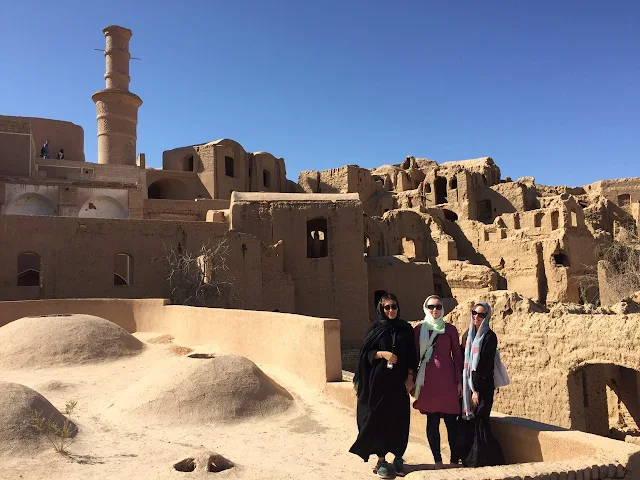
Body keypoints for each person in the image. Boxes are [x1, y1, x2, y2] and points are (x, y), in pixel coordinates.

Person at [350, 293, 417, 478]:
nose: (391, 311)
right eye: (387, 307)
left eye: (393, 306)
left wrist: (410, 377)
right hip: (378, 385)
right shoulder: (375, 328)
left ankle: (398, 458)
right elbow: (365, 354)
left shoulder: (405, 328)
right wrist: (382, 354)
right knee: (378, 420)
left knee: (399, 420)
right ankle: (381, 460)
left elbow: (412, 355)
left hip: (399, 384)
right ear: (381, 309)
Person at [412, 295, 463, 468]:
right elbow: (413, 357)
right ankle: (438, 461)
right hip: (428, 382)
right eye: (432, 306)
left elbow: (457, 357)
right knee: (432, 421)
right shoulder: (419, 330)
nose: (435, 310)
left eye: (439, 306)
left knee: (451, 422)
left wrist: (459, 381)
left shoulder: (450, 329)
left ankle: (455, 460)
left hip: (448, 381)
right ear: (426, 307)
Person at [459, 302, 505, 467]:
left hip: (483, 388)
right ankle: (475, 458)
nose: (476, 317)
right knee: (473, 421)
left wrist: (476, 390)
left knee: (480, 419)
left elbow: (484, 366)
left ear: (487, 317)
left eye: (481, 315)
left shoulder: (489, 336)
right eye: (474, 313)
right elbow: (463, 360)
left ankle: (490, 458)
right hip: (469, 387)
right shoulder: (469, 335)